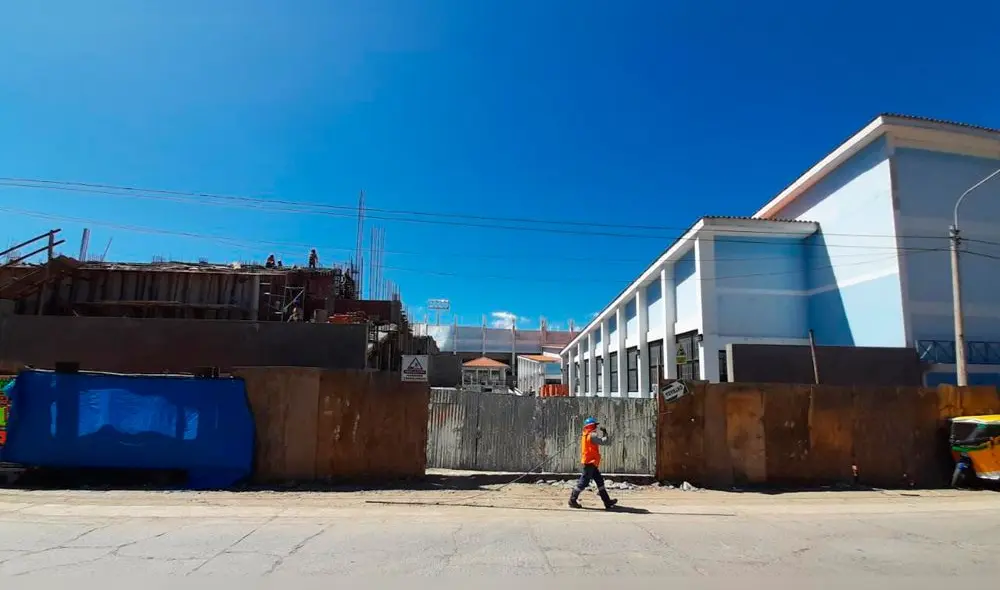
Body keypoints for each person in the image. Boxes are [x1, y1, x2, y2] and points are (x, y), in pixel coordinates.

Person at [568, 417, 618, 510]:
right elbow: (605, 442)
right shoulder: (592, 435)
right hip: (590, 463)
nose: (596, 427)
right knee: (583, 483)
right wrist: (605, 432)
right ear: (592, 426)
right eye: (595, 425)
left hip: (591, 463)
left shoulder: (585, 435)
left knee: (599, 481)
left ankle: (607, 501)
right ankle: (572, 500)